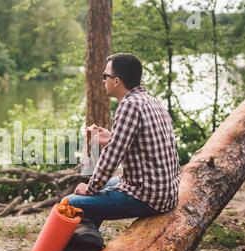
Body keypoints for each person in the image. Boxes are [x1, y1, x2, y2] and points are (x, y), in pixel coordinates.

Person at [67, 53, 181, 229]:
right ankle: (88, 244)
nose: (103, 80)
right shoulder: (150, 100)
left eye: (105, 76)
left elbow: (112, 157)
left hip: (147, 196)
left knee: (71, 202)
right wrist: (111, 137)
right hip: (165, 192)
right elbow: (139, 143)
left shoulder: (129, 105)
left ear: (117, 81)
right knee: (101, 190)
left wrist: (90, 188)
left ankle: (79, 249)